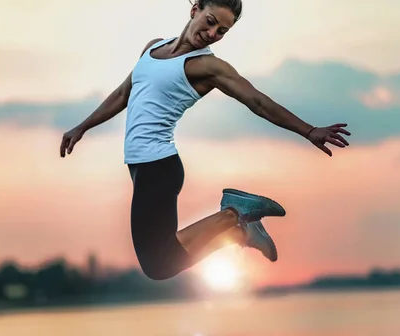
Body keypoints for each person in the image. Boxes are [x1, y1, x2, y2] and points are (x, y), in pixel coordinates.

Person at [60, 0, 351, 281]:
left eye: (222, 31)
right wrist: (83, 126)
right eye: (211, 22)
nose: (212, 33)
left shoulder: (207, 66)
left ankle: (233, 216)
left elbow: (257, 101)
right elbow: (124, 93)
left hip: (158, 167)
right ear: (195, 10)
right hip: (141, 167)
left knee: (158, 265)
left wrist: (309, 130)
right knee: (162, 262)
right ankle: (239, 231)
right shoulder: (153, 47)